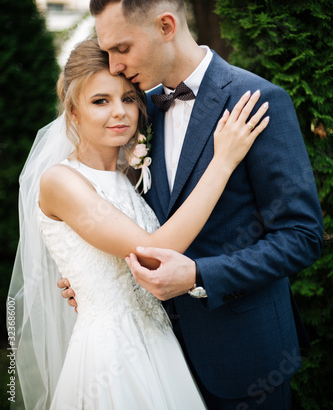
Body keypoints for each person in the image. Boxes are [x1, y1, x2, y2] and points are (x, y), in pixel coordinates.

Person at [59, 0, 323, 410]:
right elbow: (132, 216)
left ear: (166, 26)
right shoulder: (139, 110)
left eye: (122, 48)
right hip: (155, 360)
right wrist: (97, 274)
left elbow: (302, 236)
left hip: (247, 358)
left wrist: (200, 276)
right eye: (108, 52)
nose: (116, 65)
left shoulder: (256, 101)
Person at [8, 37, 269, 409]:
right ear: (73, 111)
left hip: (160, 340)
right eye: (101, 101)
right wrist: (223, 161)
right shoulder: (60, 181)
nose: (119, 112)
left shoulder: (133, 176)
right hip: (112, 355)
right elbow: (154, 251)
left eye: (128, 98)